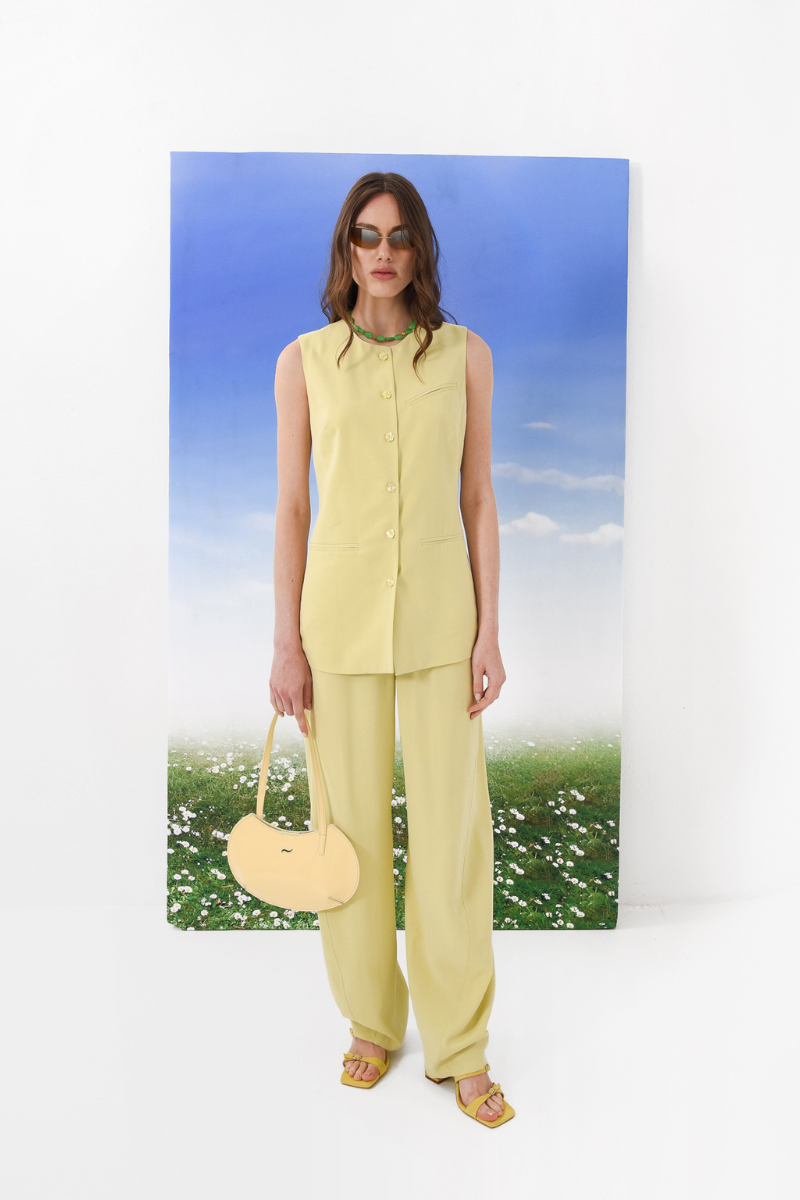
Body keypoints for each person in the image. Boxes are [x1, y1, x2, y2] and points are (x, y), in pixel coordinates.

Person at [268, 171, 514, 1128]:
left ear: (420, 250)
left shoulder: (466, 355)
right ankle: (372, 1021)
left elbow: (478, 498)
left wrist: (490, 630)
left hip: (444, 625)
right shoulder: (302, 363)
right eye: (366, 236)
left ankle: (460, 1047)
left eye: (399, 236)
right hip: (335, 629)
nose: (383, 253)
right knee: (352, 838)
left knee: (452, 840)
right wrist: (285, 644)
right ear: (346, 249)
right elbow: (293, 508)